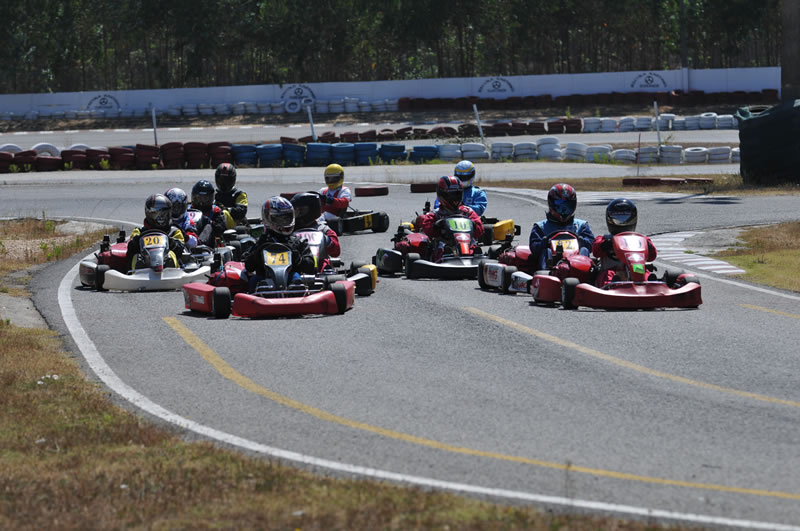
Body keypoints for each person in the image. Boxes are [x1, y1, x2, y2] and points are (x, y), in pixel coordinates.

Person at [243, 196, 316, 289]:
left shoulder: (298, 242)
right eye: (280, 219)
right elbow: (248, 267)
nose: (285, 222)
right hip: (264, 281)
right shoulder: (261, 242)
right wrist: (257, 253)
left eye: (287, 218)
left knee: (296, 277)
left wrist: (297, 257)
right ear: (267, 219)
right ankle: (262, 292)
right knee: (254, 280)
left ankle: (296, 291)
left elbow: (311, 267)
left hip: (290, 280)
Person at [412, 176, 483, 261]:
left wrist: (473, 224)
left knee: (473, 246)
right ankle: (445, 257)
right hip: (444, 244)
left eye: (457, 195)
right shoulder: (436, 214)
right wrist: (437, 225)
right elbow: (427, 228)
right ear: (442, 195)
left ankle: (474, 256)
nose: (455, 199)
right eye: (451, 195)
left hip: (466, 241)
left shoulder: (467, 211)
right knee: (441, 248)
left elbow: (480, 228)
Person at [592, 198, 657, 287]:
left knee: (643, 272)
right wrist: (605, 244)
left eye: (625, 218)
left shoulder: (640, 239)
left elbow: (652, 257)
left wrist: (648, 246)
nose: (622, 222)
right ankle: (612, 286)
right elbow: (596, 251)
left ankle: (650, 284)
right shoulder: (604, 239)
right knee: (609, 275)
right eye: (618, 218)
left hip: (636, 269)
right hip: (612, 270)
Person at [528, 183, 594, 270]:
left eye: (568, 206)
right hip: (551, 265)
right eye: (560, 206)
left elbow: (592, 244)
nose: (564, 211)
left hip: (576, 264)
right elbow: (534, 248)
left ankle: (585, 274)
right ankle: (546, 276)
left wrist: (580, 241)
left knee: (584, 250)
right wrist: (545, 242)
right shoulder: (541, 227)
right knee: (546, 251)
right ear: (551, 205)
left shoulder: (581, 226)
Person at [126, 193, 186, 270]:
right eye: (156, 214)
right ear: (148, 213)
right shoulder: (139, 231)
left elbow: (181, 249)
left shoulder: (174, 231)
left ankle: (171, 270)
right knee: (137, 256)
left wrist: (171, 242)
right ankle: (135, 273)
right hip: (144, 265)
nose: (161, 218)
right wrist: (136, 241)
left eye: (164, 214)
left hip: (168, 268)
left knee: (170, 254)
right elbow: (130, 248)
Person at [290, 192, 341, 271]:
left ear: (311, 210)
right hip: (297, 264)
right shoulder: (290, 229)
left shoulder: (323, 229)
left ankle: (325, 274)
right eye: (294, 211)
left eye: (299, 210)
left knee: (324, 263)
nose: (295, 214)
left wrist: (327, 240)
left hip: (320, 267)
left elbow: (336, 252)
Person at [189, 179, 232, 246]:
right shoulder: (188, 210)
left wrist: (209, 221)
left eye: (205, 199)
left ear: (211, 198)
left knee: (208, 226)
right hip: (190, 238)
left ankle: (199, 244)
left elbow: (220, 229)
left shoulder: (215, 211)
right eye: (199, 198)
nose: (201, 202)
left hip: (210, 243)